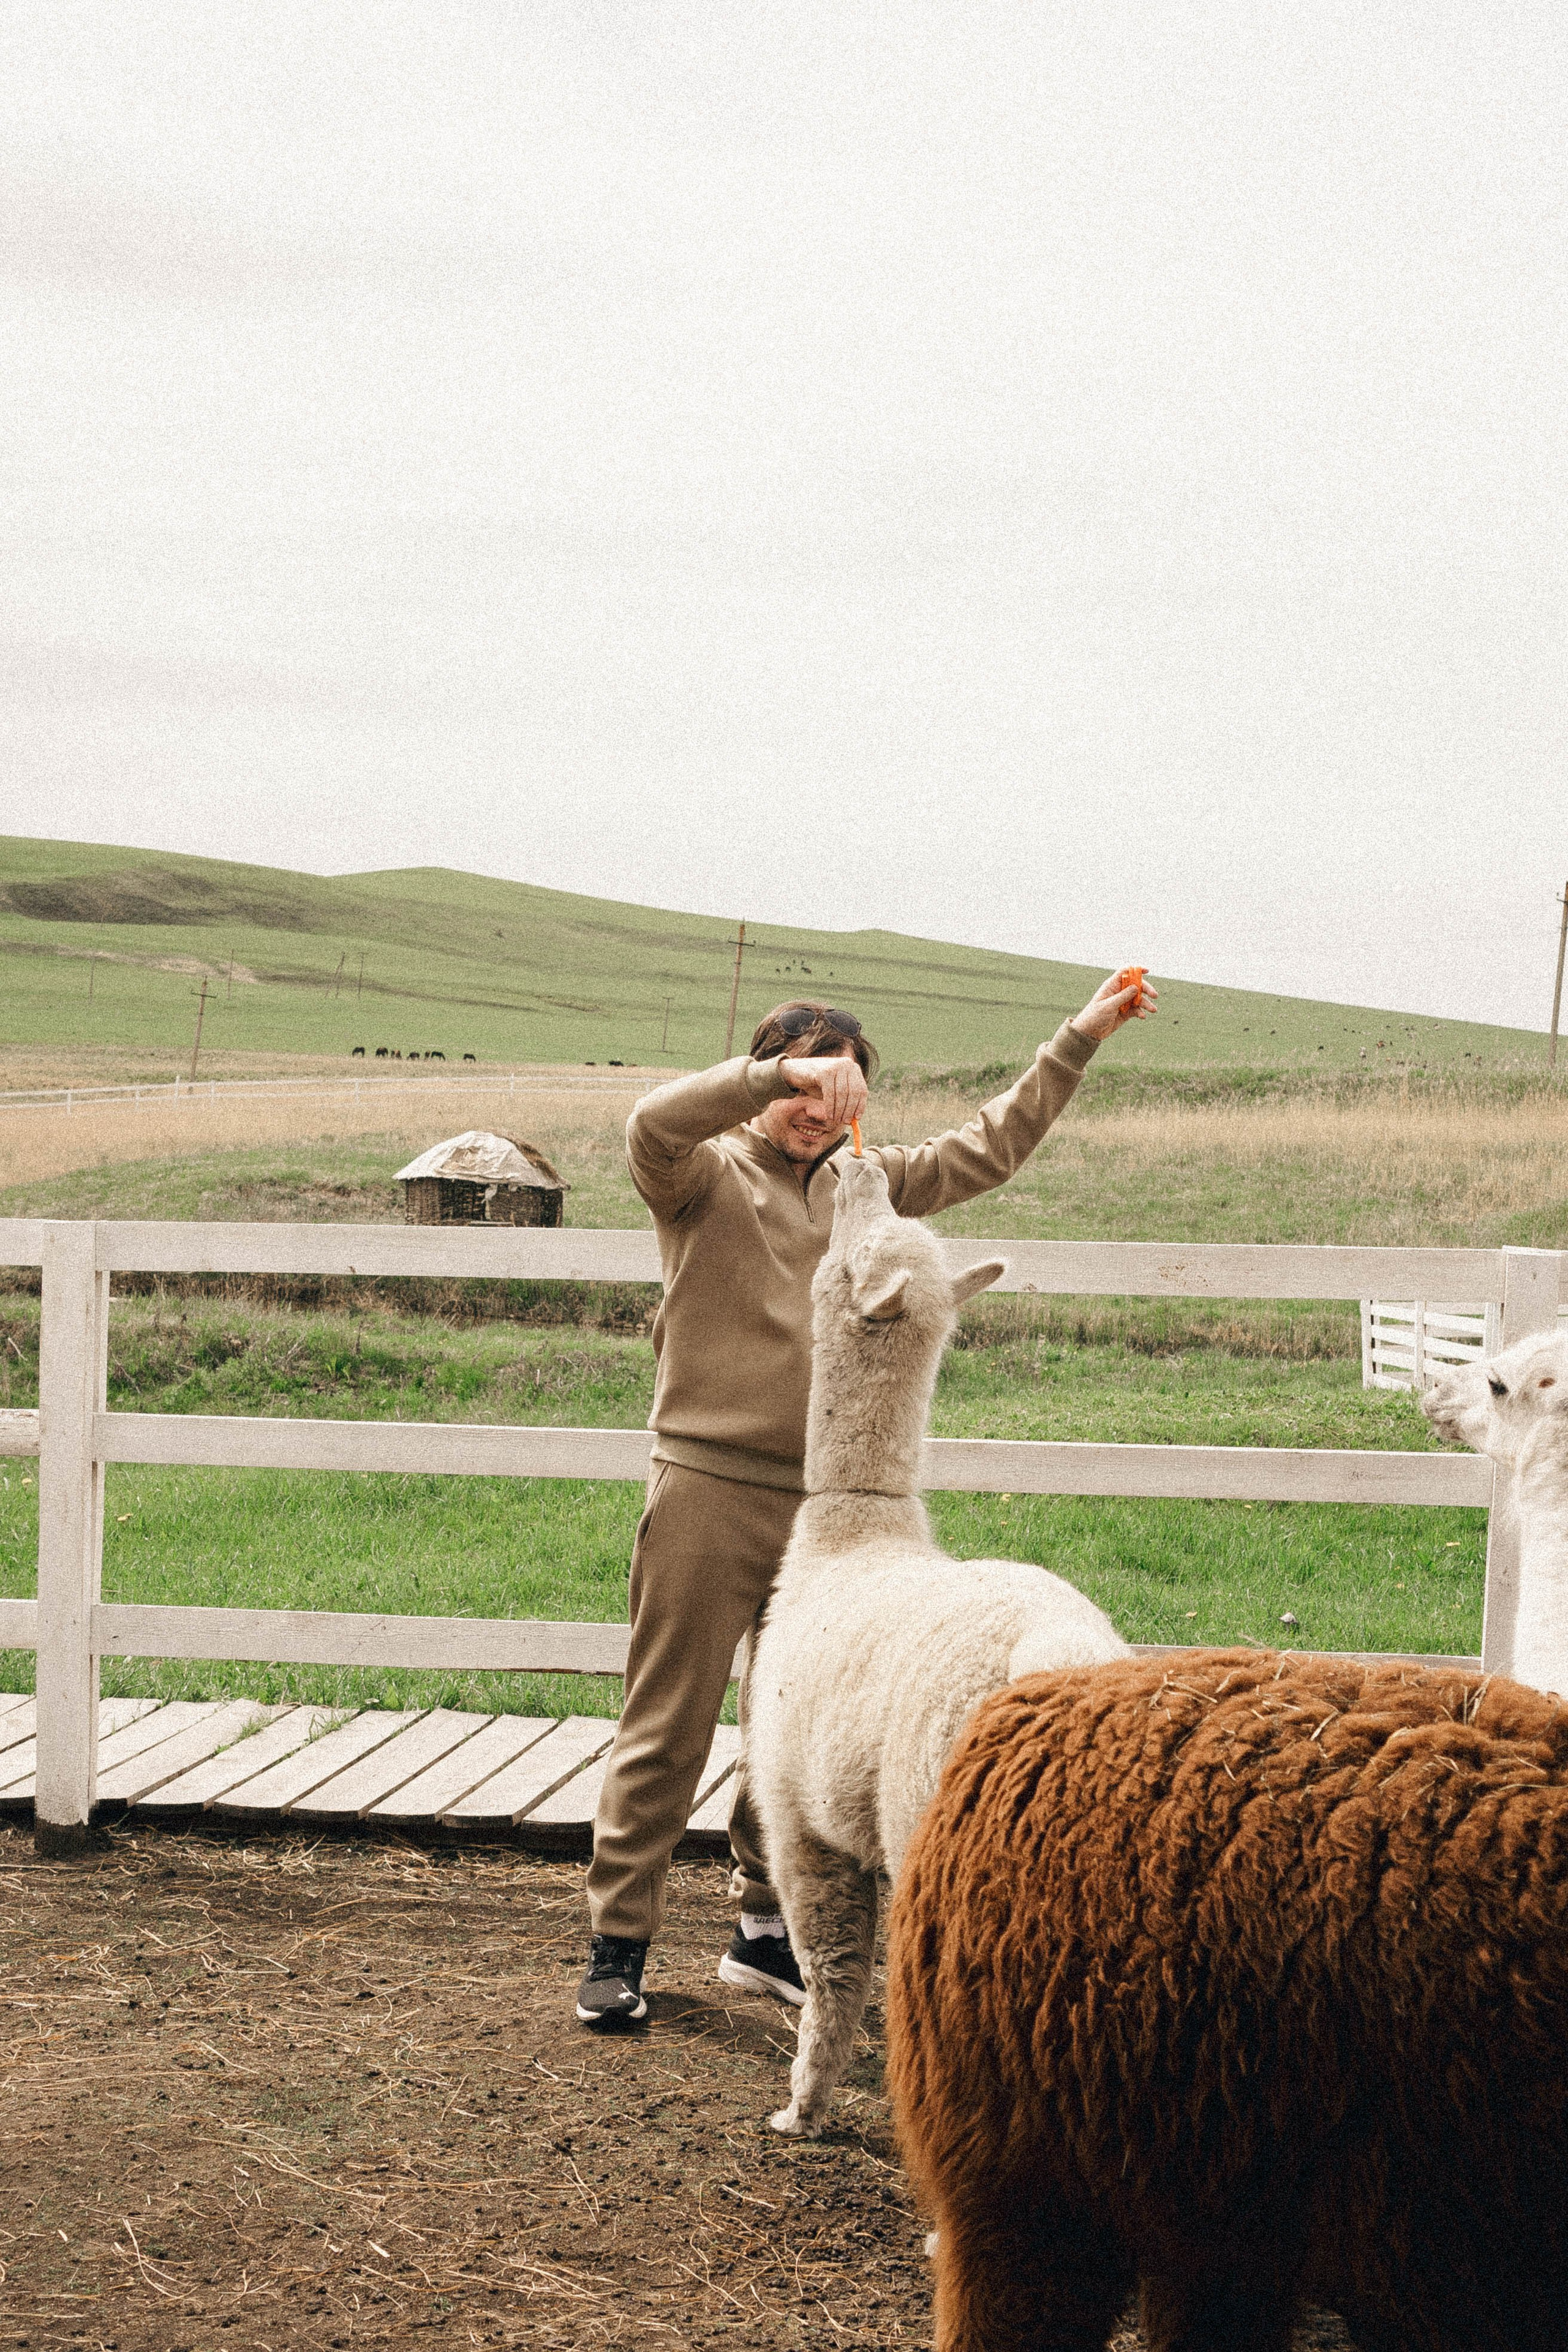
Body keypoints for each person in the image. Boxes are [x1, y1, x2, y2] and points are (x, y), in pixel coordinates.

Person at [575, 970, 1158, 2027]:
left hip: (832, 1515)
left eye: (840, 1095)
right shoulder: (699, 1177)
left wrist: (1079, 1035)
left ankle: (764, 1931)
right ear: (766, 1083)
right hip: (709, 1486)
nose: (816, 1113)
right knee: (670, 1718)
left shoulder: (870, 1187)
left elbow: (995, 1144)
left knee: (791, 1722)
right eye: (801, 1088)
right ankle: (619, 1941)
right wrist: (773, 1072)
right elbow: (648, 1122)